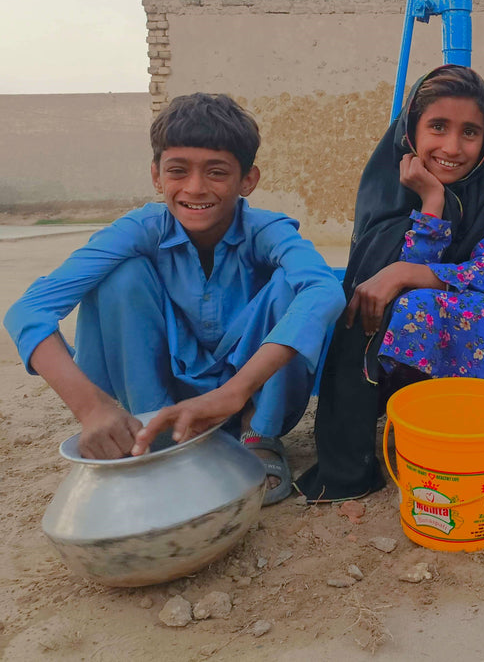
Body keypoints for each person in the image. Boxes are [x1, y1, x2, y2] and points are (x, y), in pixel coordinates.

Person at [4, 93, 346, 504]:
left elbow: (325, 289)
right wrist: (91, 408)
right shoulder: (138, 229)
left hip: (251, 393)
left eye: (216, 172)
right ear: (156, 176)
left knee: (294, 285)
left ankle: (259, 434)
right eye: (178, 171)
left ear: (247, 180)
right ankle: (157, 432)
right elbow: (29, 309)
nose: (195, 188)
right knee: (119, 277)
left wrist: (235, 391)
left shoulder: (266, 230)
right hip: (167, 399)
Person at [296, 65, 484, 502]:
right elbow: (377, 287)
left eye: (470, 132)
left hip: (458, 353)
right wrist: (432, 202)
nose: (452, 147)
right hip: (387, 350)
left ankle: (463, 433)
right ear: (411, 129)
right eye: (438, 127)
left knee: (470, 306)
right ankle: (396, 432)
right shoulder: (387, 191)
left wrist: (404, 273)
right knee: (406, 305)